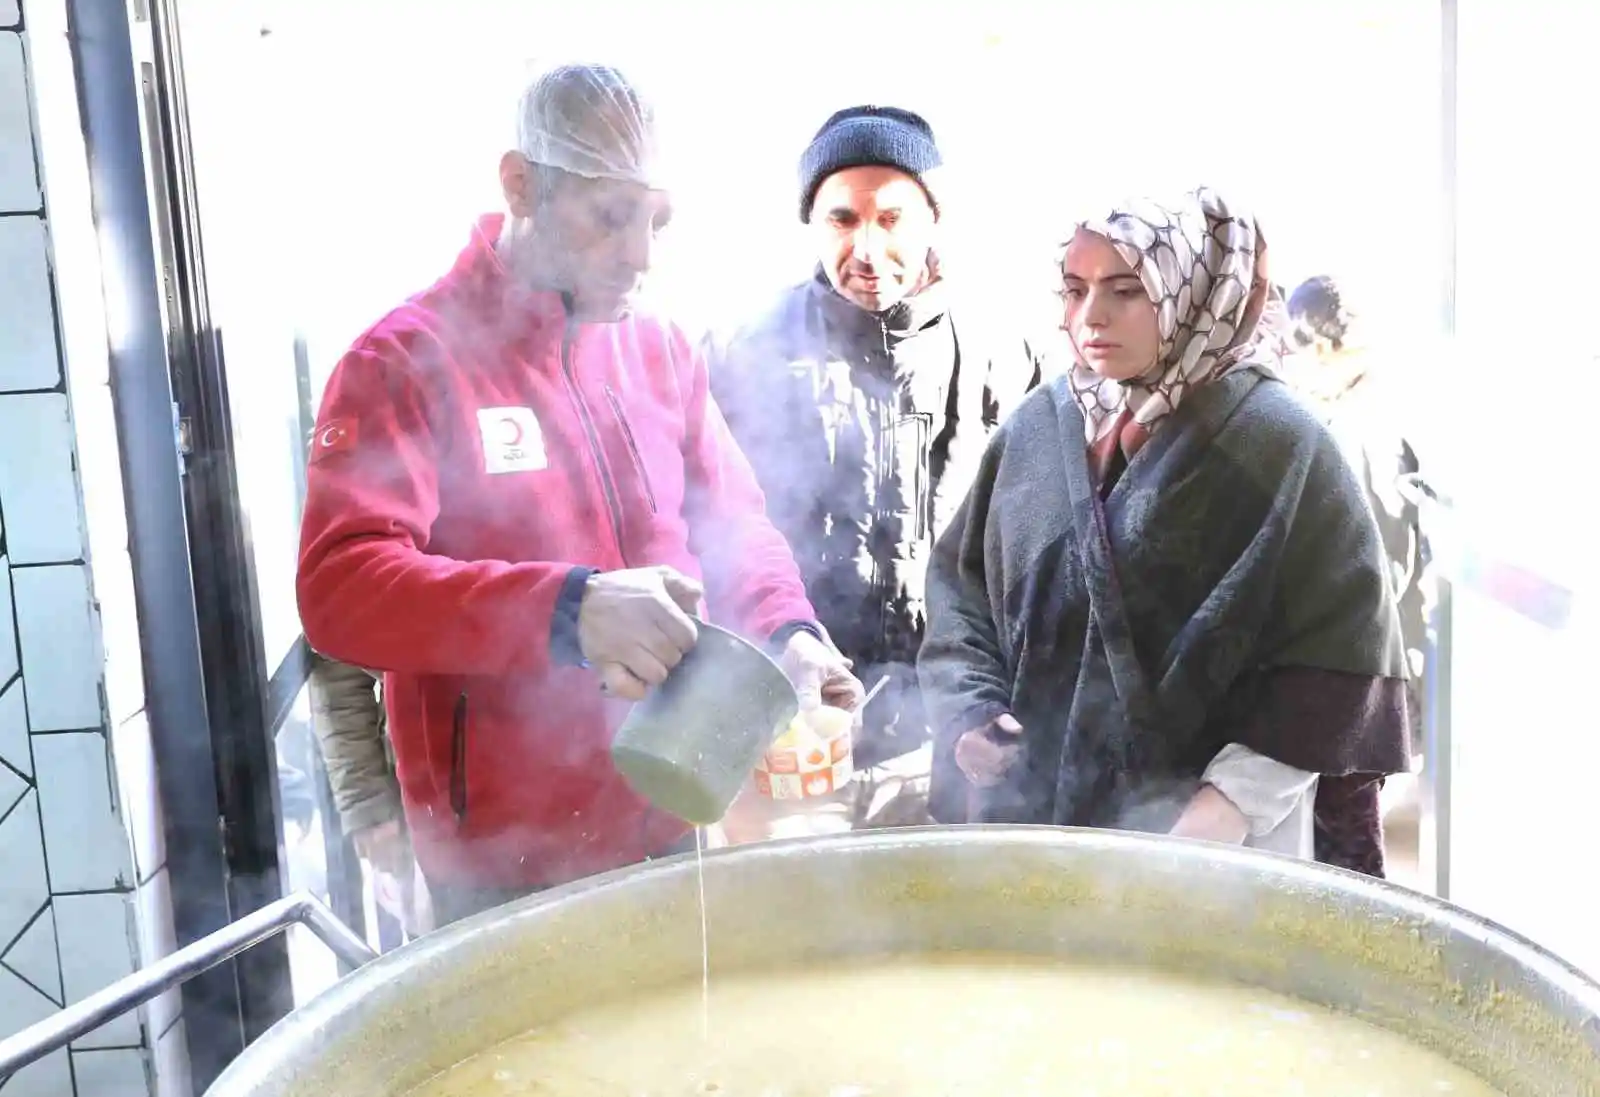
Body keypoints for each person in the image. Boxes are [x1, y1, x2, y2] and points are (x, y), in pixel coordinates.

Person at [296, 63, 862, 927]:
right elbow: (341, 588)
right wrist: (567, 609)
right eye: (609, 216)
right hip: (500, 862)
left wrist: (791, 630)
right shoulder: (405, 361)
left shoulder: (658, 350)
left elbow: (734, 522)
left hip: (672, 816)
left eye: (655, 219)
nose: (639, 253)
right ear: (521, 186)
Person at [919, 187, 1412, 872]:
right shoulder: (1038, 428)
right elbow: (960, 588)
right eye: (1074, 288)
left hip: (1219, 853)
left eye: (1126, 290)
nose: (1091, 316)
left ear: (1195, 291)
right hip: (1030, 828)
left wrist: (1222, 809)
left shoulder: (1282, 445)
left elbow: (1337, 657)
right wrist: (970, 711)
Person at [709, 106, 1041, 830]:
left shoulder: (1006, 358)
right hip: (794, 740)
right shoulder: (742, 352)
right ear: (812, 223)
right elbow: (707, 534)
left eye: (891, 218)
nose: (866, 246)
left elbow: (1037, 555)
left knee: (946, 939)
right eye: (841, 219)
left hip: (955, 745)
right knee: (795, 935)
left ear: (933, 217)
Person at [1287, 274, 1431, 875]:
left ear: (1319, 347)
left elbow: (1370, 579)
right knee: (1349, 847)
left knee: (1348, 863)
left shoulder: (1347, 432)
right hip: (1379, 681)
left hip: (1352, 688)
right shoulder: (1381, 418)